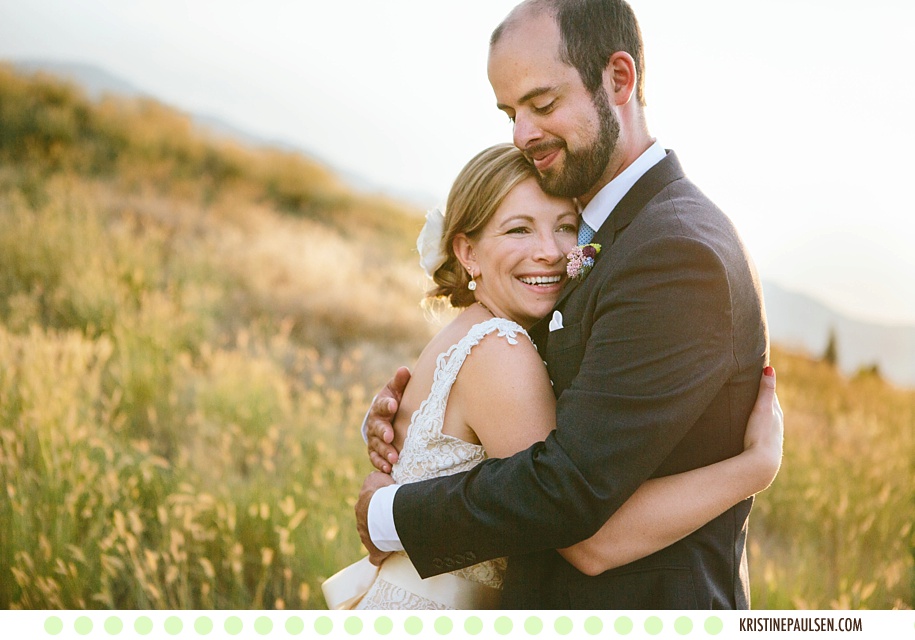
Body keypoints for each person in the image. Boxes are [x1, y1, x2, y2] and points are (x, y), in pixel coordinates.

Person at [358, 0, 773, 609]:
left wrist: (389, 510)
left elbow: (569, 499)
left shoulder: (676, 250)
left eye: (543, 104)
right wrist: (423, 427)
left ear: (620, 79)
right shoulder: (599, 230)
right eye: (511, 112)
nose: (523, 134)